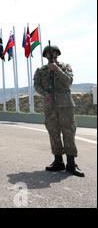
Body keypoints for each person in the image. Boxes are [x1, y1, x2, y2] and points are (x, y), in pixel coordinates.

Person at [34, 44, 85, 177]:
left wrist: (57, 70)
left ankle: (71, 163)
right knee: (53, 132)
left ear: (57, 54)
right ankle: (58, 161)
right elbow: (37, 86)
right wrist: (46, 94)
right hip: (50, 106)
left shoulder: (65, 67)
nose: (51, 55)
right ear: (45, 56)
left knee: (68, 132)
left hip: (65, 105)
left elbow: (68, 81)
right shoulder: (40, 71)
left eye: (53, 52)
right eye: (48, 53)